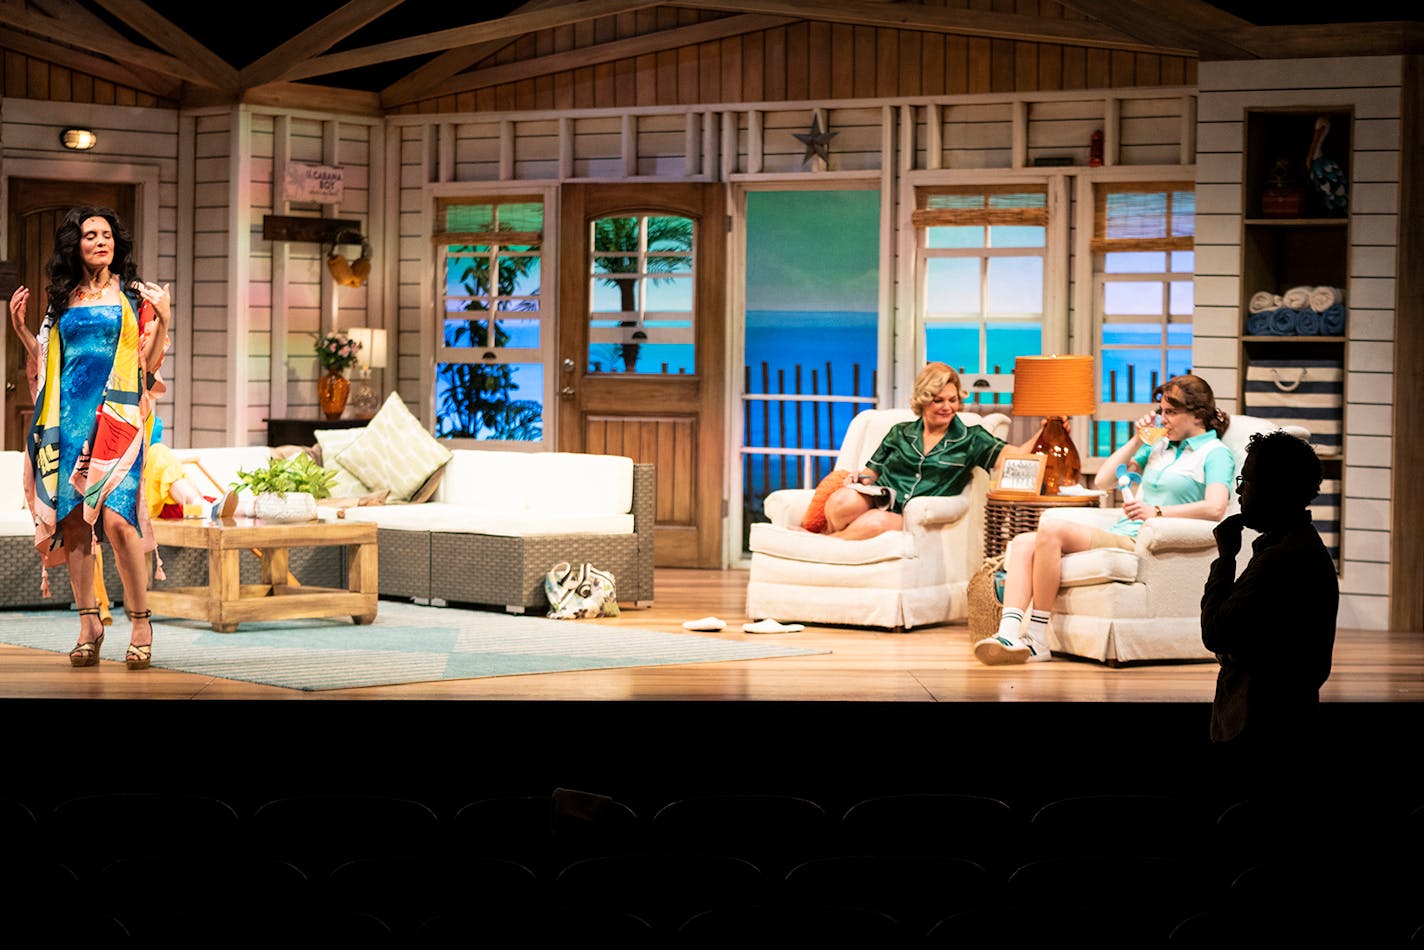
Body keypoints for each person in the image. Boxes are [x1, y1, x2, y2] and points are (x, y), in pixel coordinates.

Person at [975, 374, 1234, 665]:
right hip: (1123, 530)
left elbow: (1215, 507)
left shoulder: (1215, 454)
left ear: (1197, 414)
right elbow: (1104, 479)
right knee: (1023, 543)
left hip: (1145, 540)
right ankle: (1008, 635)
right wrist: (1138, 440)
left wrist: (1158, 512)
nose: (1163, 419)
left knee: (1051, 528)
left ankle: (1036, 636)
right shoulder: (1159, 445)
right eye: (1161, 411)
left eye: (1170, 412)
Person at [10, 206, 172, 670]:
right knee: (77, 524)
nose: (100, 242)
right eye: (89, 236)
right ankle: (89, 624)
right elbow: (45, 363)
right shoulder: (61, 300)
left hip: (119, 419)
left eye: (106, 235)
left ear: (116, 243)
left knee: (119, 522)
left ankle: (140, 623)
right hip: (69, 419)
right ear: (75, 246)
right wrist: (23, 332)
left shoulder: (134, 296)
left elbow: (151, 364)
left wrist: (164, 320)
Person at [1201, 430, 1338, 792]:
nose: (1240, 492)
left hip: (1261, 727)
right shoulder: (1296, 547)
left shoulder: (1280, 560)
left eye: (1247, 481)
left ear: (1275, 489)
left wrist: (1226, 558)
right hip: (1283, 720)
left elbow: (1215, 632)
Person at [821, 362, 1041, 540]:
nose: (947, 407)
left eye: (952, 400)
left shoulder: (972, 438)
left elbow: (1017, 456)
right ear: (924, 401)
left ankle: (825, 545)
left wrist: (1047, 429)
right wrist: (861, 478)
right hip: (884, 499)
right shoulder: (899, 432)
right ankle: (830, 534)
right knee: (842, 501)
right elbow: (871, 473)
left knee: (875, 522)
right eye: (939, 400)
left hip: (913, 515)